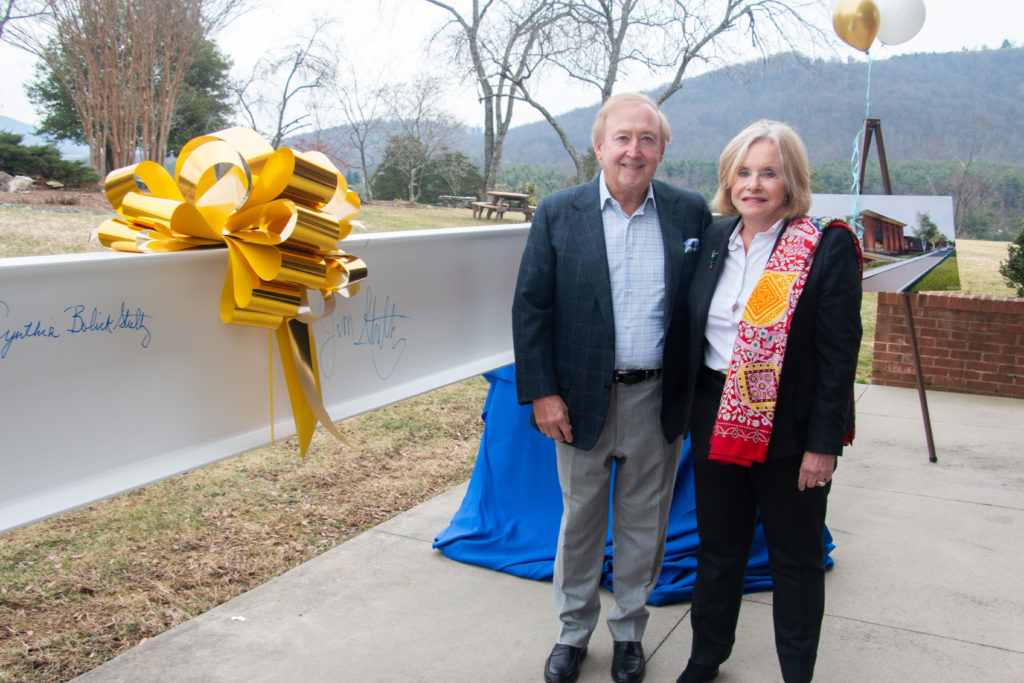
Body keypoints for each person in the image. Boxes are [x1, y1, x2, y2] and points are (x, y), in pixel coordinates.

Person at [512, 92, 710, 683]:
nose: (634, 150)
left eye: (647, 139)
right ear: (599, 147)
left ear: (662, 150)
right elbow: (531, 308)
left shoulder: (689, 213)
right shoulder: (558, 212)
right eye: (622, 138)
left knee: (643, 525)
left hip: (658, 398)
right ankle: (573, 633)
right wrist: (543, 394)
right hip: (577, 400)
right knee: (580, 522)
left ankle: (629, 633)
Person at [675, 120, 862, 683]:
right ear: (729, 178)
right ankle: (706, 657)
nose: (753, 185)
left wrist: (823, 446)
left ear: (791, 182)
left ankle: (796, 673)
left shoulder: (824, 246)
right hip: (717, 420)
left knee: (796, 560)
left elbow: (838, 356)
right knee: (719, 550)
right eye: (744, 171)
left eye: (769, 173)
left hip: (792, 433)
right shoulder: (713, 240)